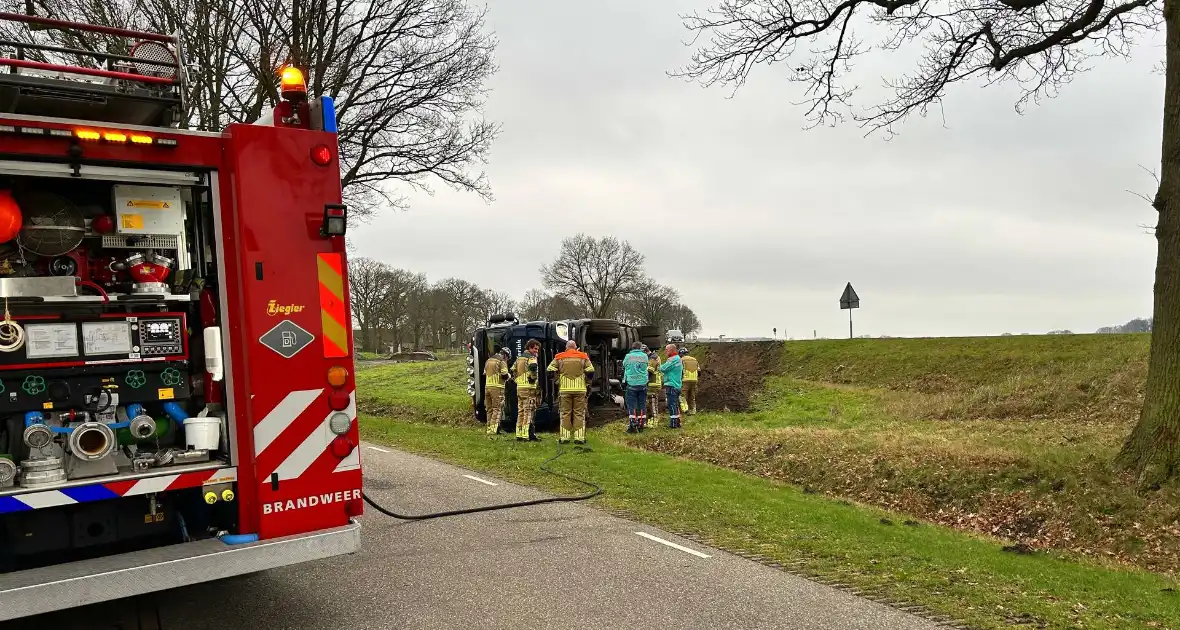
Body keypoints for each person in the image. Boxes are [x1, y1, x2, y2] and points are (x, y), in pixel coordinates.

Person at [547, 340, 594, 444]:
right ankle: (579, 438)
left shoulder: (559, 357)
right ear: (576, 347)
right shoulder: (583, 356)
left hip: (564, 389)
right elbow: (590, 371)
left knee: (565, 413)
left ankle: (564, 438)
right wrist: (586, 382)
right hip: (580, 389)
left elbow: (549, 370)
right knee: (579, 413)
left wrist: (557, 381)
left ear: (566, 348)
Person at [512, 340, 542, 441]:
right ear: (529, 347)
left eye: (537, 349)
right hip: (529, 388)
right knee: (528, 411)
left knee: (520, 411)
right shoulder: (532, 358)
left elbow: (513, 369)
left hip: (520, 388)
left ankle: (519, 434)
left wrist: (517, 380)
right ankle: (526, 435)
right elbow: (533, 368)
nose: (536, 351)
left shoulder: (519, 358)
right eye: (535, 349)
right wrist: (532, 379)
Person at [621, 341, 650, 432]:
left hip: (632, 383)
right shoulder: (645, 356)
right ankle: (641, 424)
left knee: (631, 404)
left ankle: (633, 424)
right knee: (642, 404)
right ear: (640, 347)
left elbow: (624, 365)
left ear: (632, 348)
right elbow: (646, 366)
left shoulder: (628, 356)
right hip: (643, 383)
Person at [482, 347, 510, 435]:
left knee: (489, 409)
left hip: (487, 387)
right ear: (505, 355)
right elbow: (505, 375)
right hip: (497, 388)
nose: (507, 359)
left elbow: (485, 373)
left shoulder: (488, 361)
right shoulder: (501, 361)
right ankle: (493, 430)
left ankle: (489, 428)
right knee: (497, 409)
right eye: (507, 357)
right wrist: (509, 376)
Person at [659, 343, 684, 429]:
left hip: (671, 385)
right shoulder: (678, 359)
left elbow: (663, 368)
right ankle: (677, 422)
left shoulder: (672, 359)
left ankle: (673, 424)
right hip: (677, 384)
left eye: (667, 349)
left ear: (672, 350)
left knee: (671, 404)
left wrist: (659, 365)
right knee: (675, 404)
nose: (665, 351)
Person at [680, 346, 701, 415]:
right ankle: (693, 411)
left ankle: (685, 410)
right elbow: (699, 372)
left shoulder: (681, 360)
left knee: (683, 396)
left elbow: (680, 371)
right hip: (694, 380)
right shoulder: (695, 360)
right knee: (692, 396)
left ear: (681, 354)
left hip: (685, 380)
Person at [646, 348, 663, 421]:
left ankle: (654, 421)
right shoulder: (655, 357)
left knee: (652, 403)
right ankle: (653, 420)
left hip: (653, 383)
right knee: (653, 403)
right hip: (655, 383)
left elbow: (649, 371)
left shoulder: (652, 358)